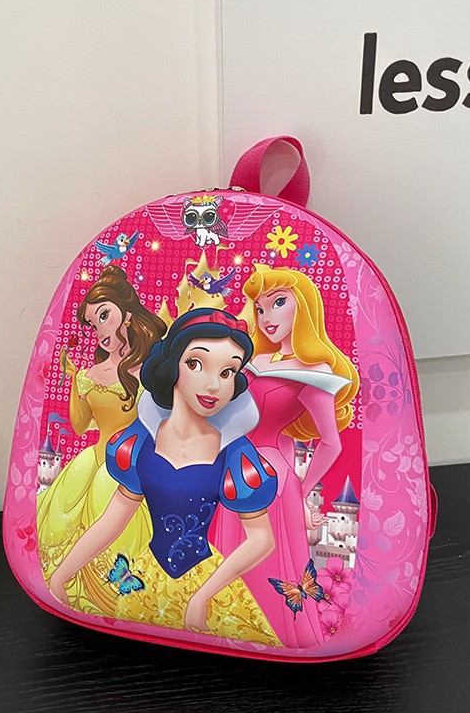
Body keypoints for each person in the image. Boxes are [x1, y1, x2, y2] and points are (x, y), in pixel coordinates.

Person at [48, 308, 281, 644]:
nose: (213, 385)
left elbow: (262, 539)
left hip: (205, 580)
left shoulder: (234, 452)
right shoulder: (141, 440)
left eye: (227, 371)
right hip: (147, 576)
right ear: (172, 366)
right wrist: (63, 574)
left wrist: (202, 597)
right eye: (195, 364)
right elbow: (113, 520)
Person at [210, 264, 359, 648]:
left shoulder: (315, 371)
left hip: (272, 483)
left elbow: (332, 442)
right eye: (260, 308)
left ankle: (276, 639)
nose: (267, 317)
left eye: (278, 303)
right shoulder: (257, 359)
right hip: (233, 471)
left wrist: (302, 492)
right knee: (229, 559)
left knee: (267, 570)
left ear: (304, 305)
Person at [37, 265, 166, 616]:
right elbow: (79, 427)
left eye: (104, 316)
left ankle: (117, 594)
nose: (99, 330)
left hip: (131, 463)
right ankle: (69, 585)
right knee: (67, 511)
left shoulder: (151, 370)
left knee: (110, 501)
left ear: (127, 313)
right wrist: (73, 382)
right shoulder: (89, 375)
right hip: (93, 459)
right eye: (93, 324)